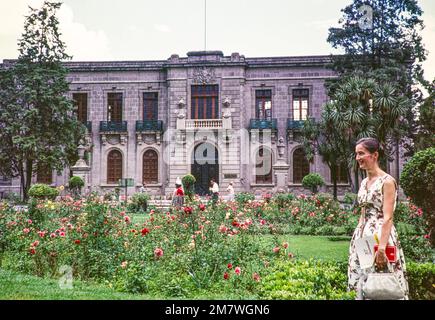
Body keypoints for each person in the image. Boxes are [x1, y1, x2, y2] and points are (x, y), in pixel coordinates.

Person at [348, 137, 409, 299]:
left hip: (382, 238)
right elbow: (363, 213)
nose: (357, 158)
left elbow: (388, 217)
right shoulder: (364, 183)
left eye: (361, 153)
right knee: (364, 282)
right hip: (363, 240)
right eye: (356, 154)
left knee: (385, 284)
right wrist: (358, 237)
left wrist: (381, 249)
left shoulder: (387, 181)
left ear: (374, 155)